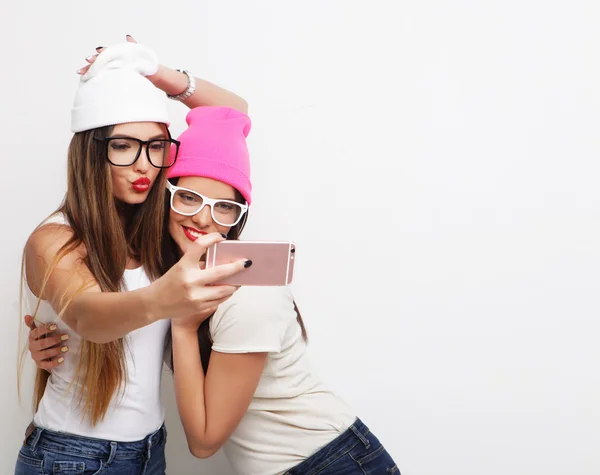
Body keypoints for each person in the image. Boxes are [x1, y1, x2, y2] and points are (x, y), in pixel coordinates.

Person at [16, 40, 249, 474]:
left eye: (157, 146)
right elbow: (89, 316)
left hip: (148, 452)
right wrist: (166, 298)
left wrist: (154, 70)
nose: (144, 165)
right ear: (90, 151)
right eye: (124, 146)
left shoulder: (159, 230)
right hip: (71, 458)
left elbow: (235, 114)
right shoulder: (53, 240)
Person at [154, 106, 402, 475]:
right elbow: (231, 106)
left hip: (329, 464)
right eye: (188, 197)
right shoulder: (174, 277)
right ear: (165, 195)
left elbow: (203, 442)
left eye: (224, 207)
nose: (204, 219)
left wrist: (184, 327)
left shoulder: (249, 299)